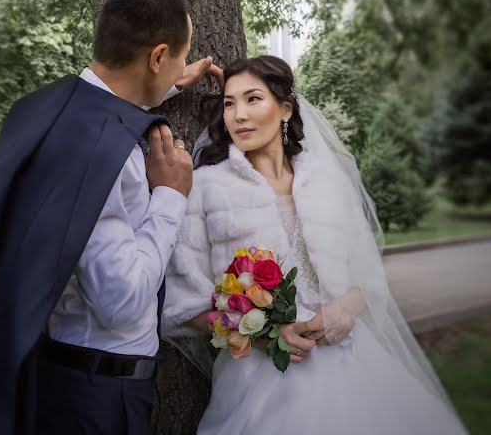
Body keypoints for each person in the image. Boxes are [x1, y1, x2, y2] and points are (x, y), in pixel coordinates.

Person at [0, 0, 223, 435]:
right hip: (99, 397)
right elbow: (122, 303)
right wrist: (170, 195)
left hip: (56, 374)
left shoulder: (45, 109)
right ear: (158, 57)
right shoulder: (103, 156)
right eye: (178, 58)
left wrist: (162, 85)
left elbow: (99, 109)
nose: (182, 66)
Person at [163, 55, 467, 434]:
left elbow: (365, 272)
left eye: (253, 99)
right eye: (229, 103)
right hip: (261, 382)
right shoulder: (208, 187)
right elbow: (182, 302)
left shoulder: (327, 179)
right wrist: (264, 336)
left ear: (285, 108)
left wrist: (346, 309)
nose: (238, 114)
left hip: (352, 364)